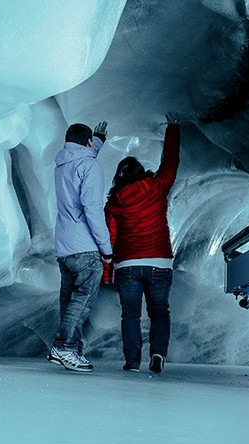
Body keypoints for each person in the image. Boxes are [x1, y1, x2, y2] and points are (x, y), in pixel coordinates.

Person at [104, 113, 181, 374]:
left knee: (131, 314)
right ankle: (158, 352)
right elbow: (170, 164)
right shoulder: (157, 187)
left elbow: (110, 237)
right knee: (160, 311)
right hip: (159, 261)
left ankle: (133, 362)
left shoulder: (114, 203)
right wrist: (173, 129)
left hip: (127, 265)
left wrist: (108, 266)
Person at [47, 121, 114, 372]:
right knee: (83, 298)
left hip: (64, 246)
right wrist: (106, 249)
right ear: (86, 143)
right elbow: (93, 210)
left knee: (69, 300)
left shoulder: (63, 164)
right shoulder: (90, 166)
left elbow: (81, 159)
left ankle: (70, 350)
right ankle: (64, 346)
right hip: (84, 245)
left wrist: (97, 140)